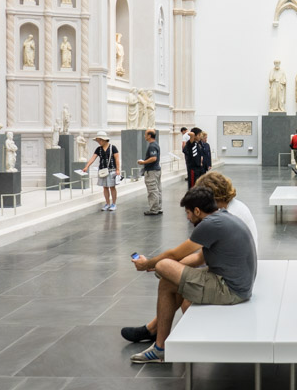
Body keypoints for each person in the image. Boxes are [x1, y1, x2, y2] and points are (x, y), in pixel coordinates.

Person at [121, 172, 259, 345]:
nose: (187, 218)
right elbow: (201, 256)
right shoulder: (223, 214)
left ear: (198, 209)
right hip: (238, 277)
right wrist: (168, 268)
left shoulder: (213, 222)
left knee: (175, 282)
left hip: (232, 285)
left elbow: (175, 254)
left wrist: (150, 264)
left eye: (188, 212)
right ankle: (159, 342)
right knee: (168, 280)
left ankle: (185, 342)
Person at [82, 131, 120, 211]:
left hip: (111, 170)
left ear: (104, 140)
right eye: (98, 140)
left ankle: (113, 203)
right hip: (102, 170)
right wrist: (87, 166)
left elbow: (117, 159)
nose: (98, 142)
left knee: (112, 187)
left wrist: (118, 169)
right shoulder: (98, 149)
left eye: (99, 140)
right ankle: (107, 203)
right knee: (105, 187)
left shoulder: (113, 147)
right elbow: (93, 158)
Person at [138, 129, 162, 215]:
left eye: (145, 134)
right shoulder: (155, 144)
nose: (144, 136)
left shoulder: (152, 146)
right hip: (156, 170)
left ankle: (154, 209)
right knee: (157, 189)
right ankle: (158, 208)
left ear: (149, 136)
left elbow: (153, 158)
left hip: (152, 171)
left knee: (152, 190)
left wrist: (143, 162)